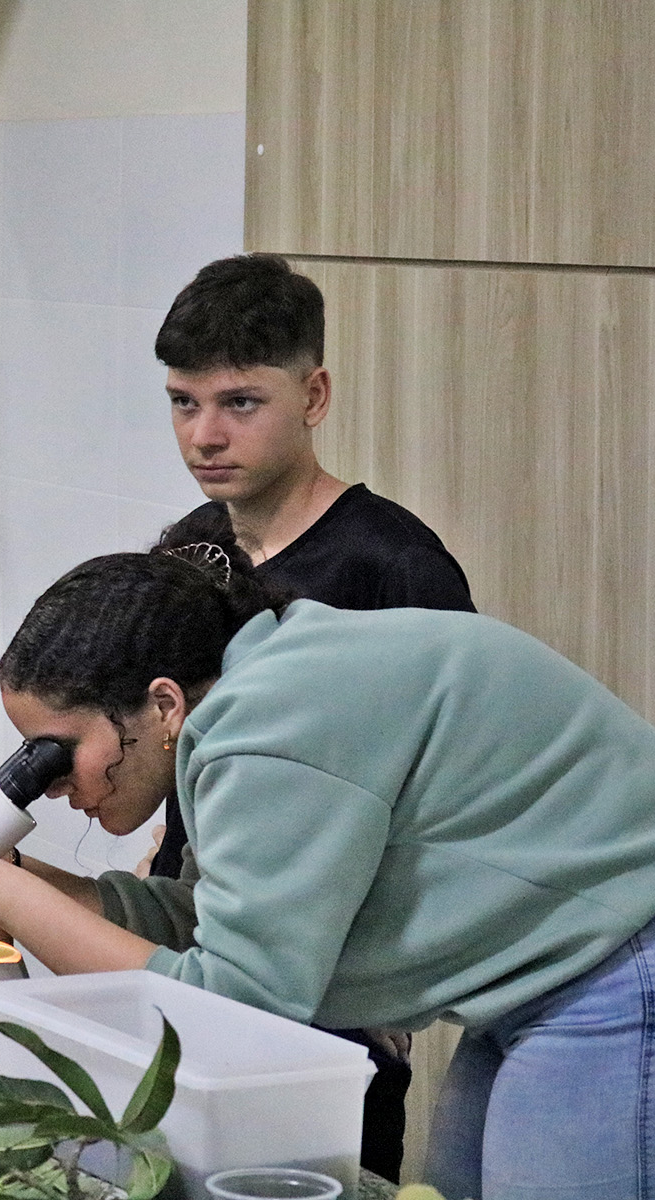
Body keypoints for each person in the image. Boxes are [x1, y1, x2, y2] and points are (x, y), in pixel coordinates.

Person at [0, 530, 655, 1199]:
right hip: (547, 976)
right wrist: (18, 874)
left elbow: (236, 1007)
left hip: (619, 961)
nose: (48, 785)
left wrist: (4, 893)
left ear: (162, 705)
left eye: (59, 751)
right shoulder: (254, 699)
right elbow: (206, 927)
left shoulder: (271, 725)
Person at [149, 252, 475, 1177]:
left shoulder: (395, 564)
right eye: (183, 402)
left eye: (240, 402)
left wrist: (392, 983)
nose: (205, 434)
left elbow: (445, 797)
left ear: (314, 396)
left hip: (339, 987)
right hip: (204, 941)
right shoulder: (188, 551)